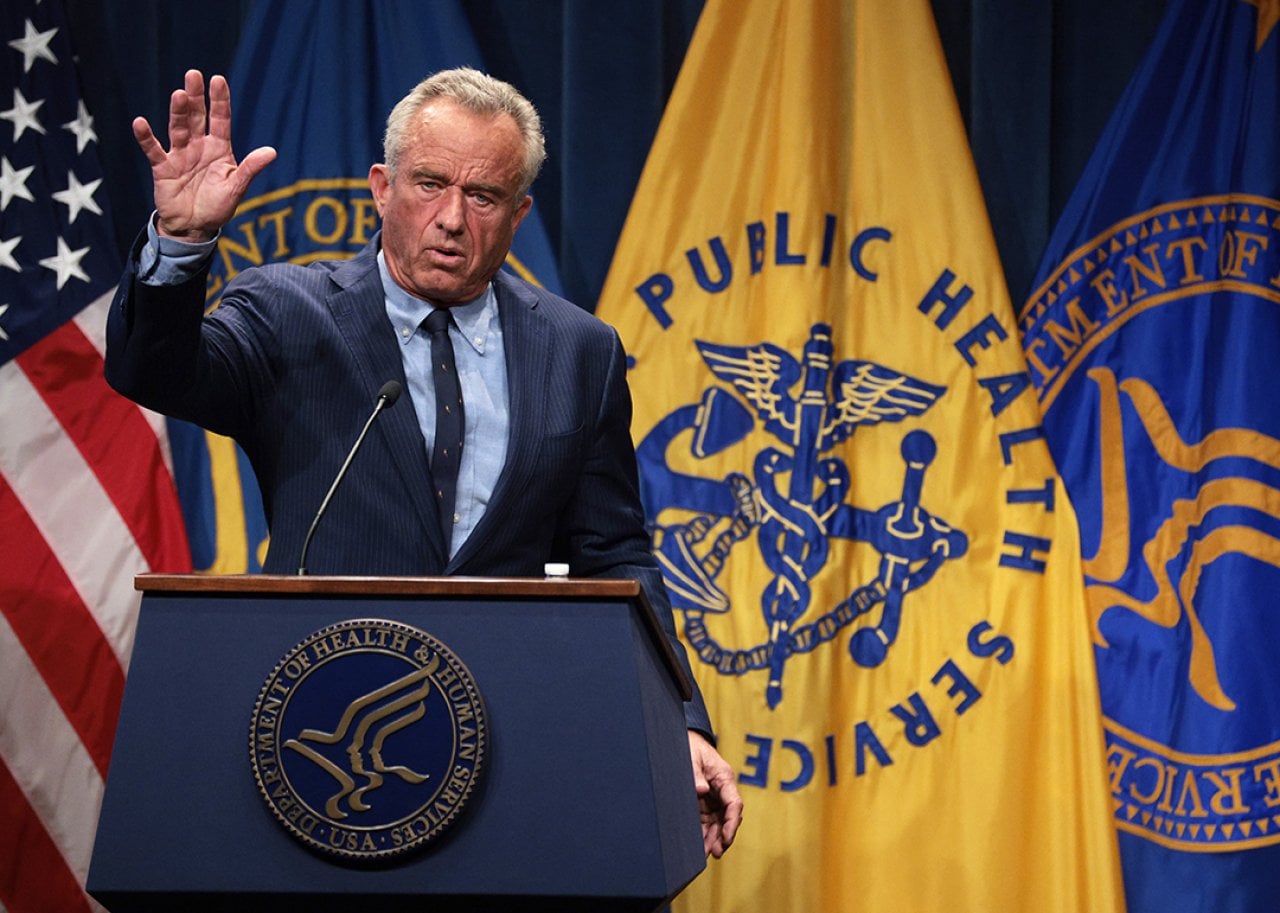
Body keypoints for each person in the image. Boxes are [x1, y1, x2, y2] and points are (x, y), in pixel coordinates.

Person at [105, 67, 742, 858]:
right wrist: (182, 246)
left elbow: (614, 555)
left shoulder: (580, 351)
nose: (450, 219)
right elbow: (150, 372)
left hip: (511, 749)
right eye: (430, 183)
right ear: (381, 185)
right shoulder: (287, 313)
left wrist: (675, 721)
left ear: (519, 213)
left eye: (482, 197)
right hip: (318, 736)